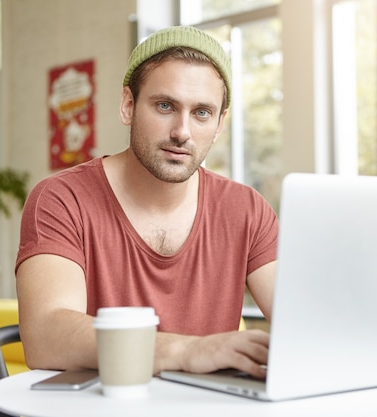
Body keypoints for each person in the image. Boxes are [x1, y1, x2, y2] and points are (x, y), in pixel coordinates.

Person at [15, 26, 277, 380]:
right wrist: (186, 350)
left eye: (201, 113)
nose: (182, 132)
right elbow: (45, 335)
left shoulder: (247, 208)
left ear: (218, 125)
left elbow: (302, 321)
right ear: (128, 105)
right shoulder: (62, 199)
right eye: (165, 106)